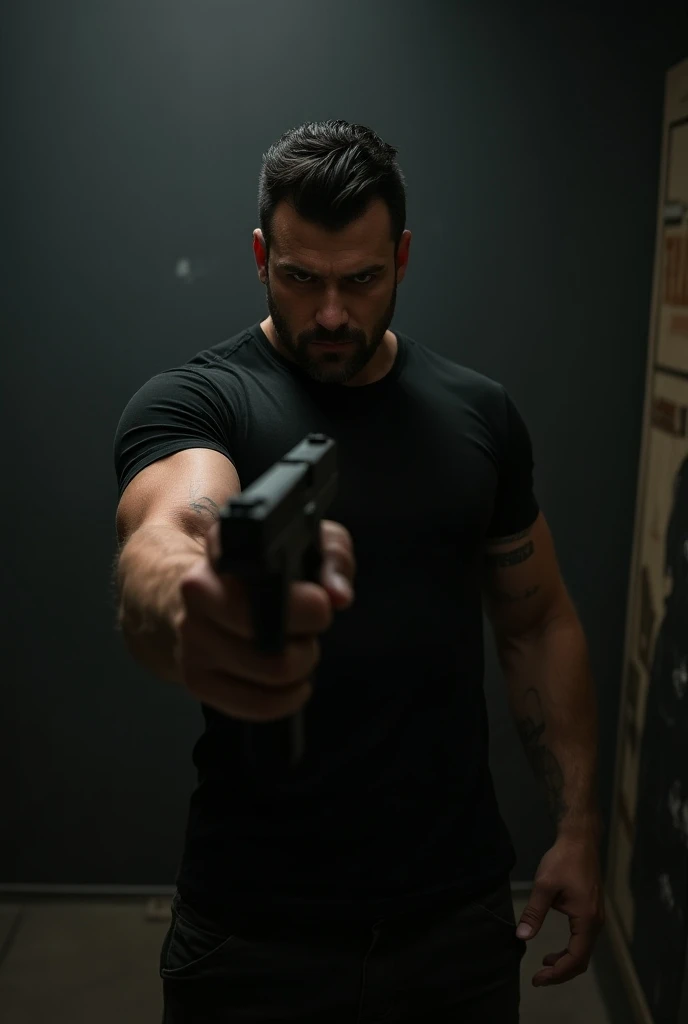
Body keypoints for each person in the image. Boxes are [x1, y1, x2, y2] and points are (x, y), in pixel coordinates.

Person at [113, 120, 604, 1023]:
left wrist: (578, 828)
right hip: (252, 929)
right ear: (262, 254)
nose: (331, 313)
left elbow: (536, 620)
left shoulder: (479, 415)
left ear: (403, 259)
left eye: (360, 279)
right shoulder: (197, 399)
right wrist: (189, 598)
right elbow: (171, 524)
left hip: (453, 922)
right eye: (301, 278)